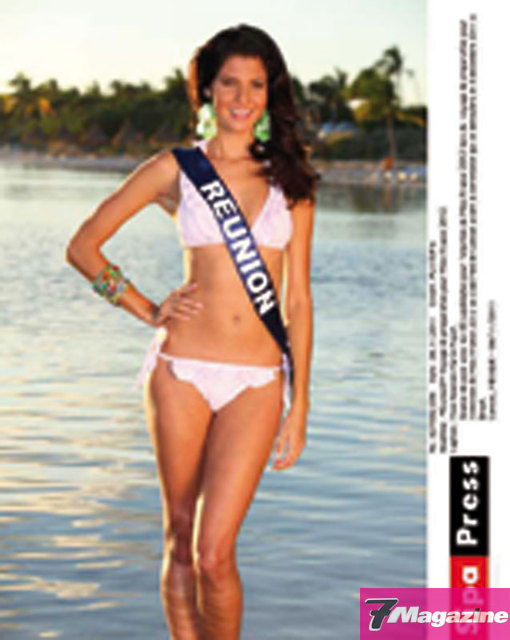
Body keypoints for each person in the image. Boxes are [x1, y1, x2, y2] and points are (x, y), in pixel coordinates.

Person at [66, 23, 317, 640]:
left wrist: (301, 403)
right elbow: (83, 247)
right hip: (180, 371)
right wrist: (146, 308)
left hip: (257, 381)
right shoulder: (175, 170)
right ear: (206, 90)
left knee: (214, 552)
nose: (242, 98)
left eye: (255, 84)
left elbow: (299, 300)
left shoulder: (292, 180)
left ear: (270, 93)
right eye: (229, 83)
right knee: (180, 538)